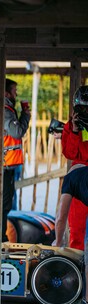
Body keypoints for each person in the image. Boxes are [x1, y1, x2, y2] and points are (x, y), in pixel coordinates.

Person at [52, 164, 88, 304]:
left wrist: (58, 242)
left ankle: (86, 302)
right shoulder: (84, 174)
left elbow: (61, 217)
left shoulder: (70, 178)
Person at [2, 78, 30, 241]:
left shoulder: (7, 108)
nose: (16, 94)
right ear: (6, 93)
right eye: (14, 91)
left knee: (5, 204)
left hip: (7, 164)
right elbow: (17, 131)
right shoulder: (5, 110)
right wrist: (25, 115)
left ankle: (0, 237)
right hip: (4, 165)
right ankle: (1, 238)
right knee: (3, 205)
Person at [60, 85, 88, 250]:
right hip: (78, 183)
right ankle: (77, 272)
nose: (85, 112)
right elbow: (70, 153)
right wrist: (75, 131)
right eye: (81, 109)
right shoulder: (70, 127)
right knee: (77, 230)